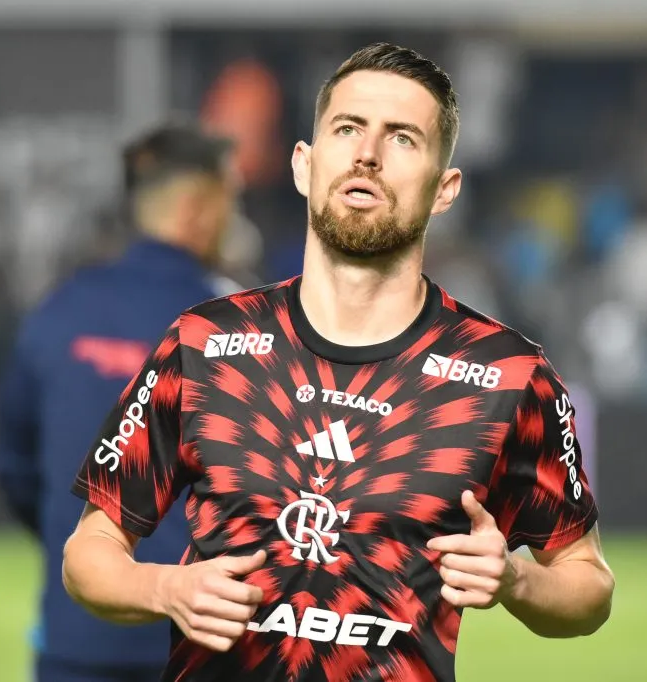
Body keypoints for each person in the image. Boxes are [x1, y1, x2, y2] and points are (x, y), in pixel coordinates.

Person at [61, 42, 614, 681]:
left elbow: (588, 587)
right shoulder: (205, 343)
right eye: (348, 128)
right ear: (305, 163)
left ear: (445, 188)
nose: (368, 154)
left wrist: (515, 579)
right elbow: (89, 553)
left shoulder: (511, 378)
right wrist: (165, 591)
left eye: (402, 138)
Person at [0, 122, 245, 682]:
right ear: (198, 208)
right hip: (202, 638)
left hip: (78, 633)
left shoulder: (59, 310)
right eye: (231, 199)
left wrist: (88, 544)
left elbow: (13, 467)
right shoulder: (236, 324)